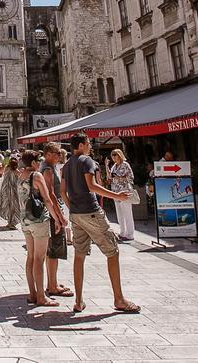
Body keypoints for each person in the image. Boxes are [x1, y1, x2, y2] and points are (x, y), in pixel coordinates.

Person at [62, 134, 140, 314]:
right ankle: (119, 299)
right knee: (113, 252)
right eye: (88, 143)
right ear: (81, 145)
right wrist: (117, 196)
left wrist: (72, 207)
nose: (90, 146)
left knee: (79, 255)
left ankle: (79, 301)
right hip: (91, 211)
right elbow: (92, 186)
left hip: (76, 214)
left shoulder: (67, 165)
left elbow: (62, 191)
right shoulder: (86, 161)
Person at [17, 150, 66, 306]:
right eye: (38, 161)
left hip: (25, 220)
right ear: (32, 163)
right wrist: (57, 219)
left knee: (31, 257)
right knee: (39, 258)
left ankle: (32, 293)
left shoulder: (20, 176)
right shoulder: (36, 176)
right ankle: (41, 296)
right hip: (39, 220)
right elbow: (47, 199)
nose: (40, 163)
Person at [40, 143, 72, 298]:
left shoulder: (49, 167)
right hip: (52, 213)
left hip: (52, 212)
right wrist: (59, 217)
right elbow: (50, 195)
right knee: (55, 248)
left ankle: (52, 282)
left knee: (52, 249)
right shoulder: (47, 169)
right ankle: (52, 286)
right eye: (57, 152)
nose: (60, 155)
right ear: (48, 153)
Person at [106, 149, 135, 242]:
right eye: (112, 155)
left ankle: (130, 234)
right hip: (115, 192)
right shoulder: (114, 166)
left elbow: (131, 177)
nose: (113, 157)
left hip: (125, 191)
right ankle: (122, 233)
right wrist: (106, 166)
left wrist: (120, 177)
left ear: (120, 155)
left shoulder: (125, 165)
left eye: (115, 155)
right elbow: (110, 177)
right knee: (119, 214)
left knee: (127, 213)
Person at [0, 157, 21, 229]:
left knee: (8, 205)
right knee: (14, 206)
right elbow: (21, 178)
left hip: (5, 189)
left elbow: (0, 172)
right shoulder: (16, 171)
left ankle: (9, 222)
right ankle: (12, 223)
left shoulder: (6, 168)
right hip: (14, 190)